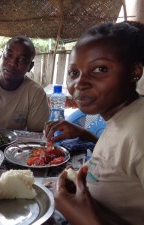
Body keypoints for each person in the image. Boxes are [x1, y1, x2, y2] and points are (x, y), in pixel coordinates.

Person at [49, 21, 144, 225]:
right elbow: (119, 159)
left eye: (100, 69)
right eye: (74, 73)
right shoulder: (123, 117)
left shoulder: (140, 128)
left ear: (134, 72)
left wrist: (82, 217)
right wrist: (83, 134)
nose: (80, 84)